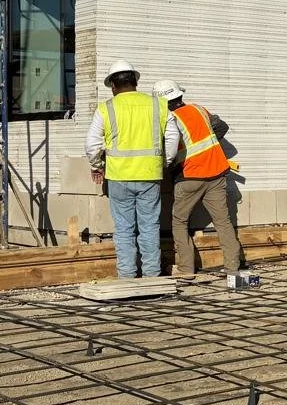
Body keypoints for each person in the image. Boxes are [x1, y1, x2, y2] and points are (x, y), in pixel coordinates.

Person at [85, 60, 178, 278]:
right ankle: (152, 275)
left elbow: (91, 144)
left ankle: (127, 275)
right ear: (135, 81)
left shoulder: (106, 108)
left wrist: (97, 165)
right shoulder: (158, 105)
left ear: (113, 86)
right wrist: (164, 162)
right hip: (149, 176)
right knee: (149, 227)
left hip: (118, 177)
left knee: (125, 229)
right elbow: (173, 139)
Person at [153, 79, 243, 278]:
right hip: (217, 172)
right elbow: (222, 127)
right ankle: (233, 268)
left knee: (179, 221)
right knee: (223, 222)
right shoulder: (198, 109)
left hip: (189, 176)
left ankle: (186, 269)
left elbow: (168, 148)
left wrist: (170, 164)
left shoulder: (168, 119)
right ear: (179, 95)